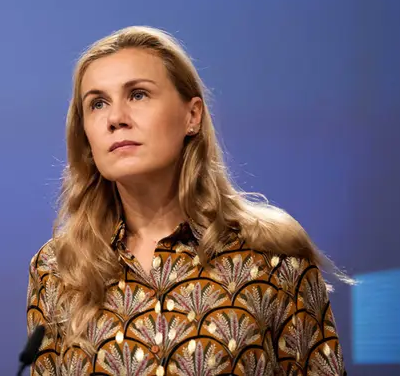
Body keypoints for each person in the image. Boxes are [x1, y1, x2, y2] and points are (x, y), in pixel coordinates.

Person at [25, 26, 349, 375]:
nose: (116, 119)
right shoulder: (59, 268)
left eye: (137, 95)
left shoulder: (271, 252)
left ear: (192, 116)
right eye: (98, 103)